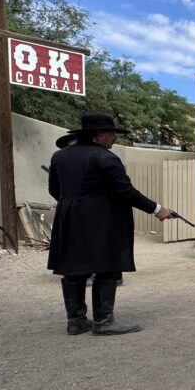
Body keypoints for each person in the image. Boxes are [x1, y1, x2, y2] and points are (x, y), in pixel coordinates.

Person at [47, 113, 172, 335]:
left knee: (74, 268)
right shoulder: (105, 157)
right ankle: (104, 322)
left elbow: (55, 190)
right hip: (102, 221)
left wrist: (75, 206)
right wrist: (157, 209)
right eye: (112, 133)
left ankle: (75, 321)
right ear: (99, 134)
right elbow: (126, 192)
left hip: (70, 218)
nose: (114, 138)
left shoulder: (60, 156)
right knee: (106, 268)